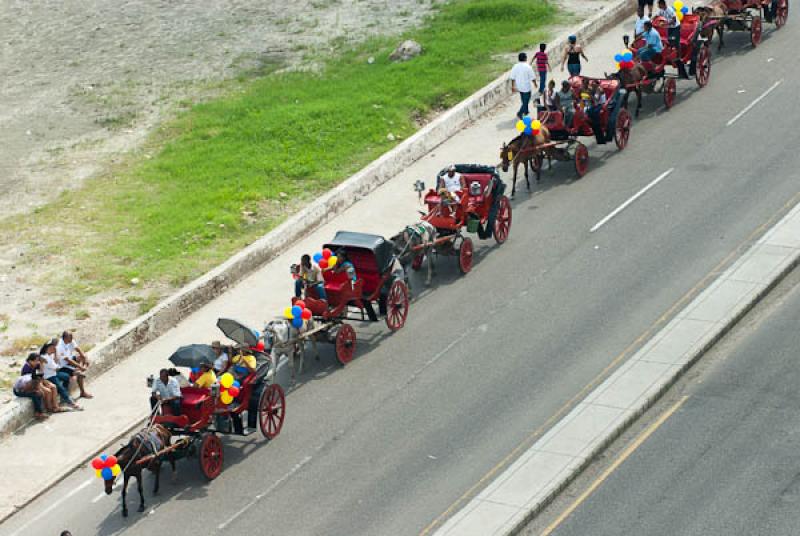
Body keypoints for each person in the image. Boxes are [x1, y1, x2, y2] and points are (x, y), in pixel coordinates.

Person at [40, 340, 80, 409]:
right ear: (49, 348)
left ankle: (64, 396)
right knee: (60, 387)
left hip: (54, 373)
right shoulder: (45, 358)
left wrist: (55, 353)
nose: (55, 349)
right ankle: (70, 401)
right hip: (49, 377)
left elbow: (56, 362)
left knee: (66, 376)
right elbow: (57, 367)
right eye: (53, 348)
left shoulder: (50, 355)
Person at [655, 0, 689, 78]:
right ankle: (670, 52)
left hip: (675, 27)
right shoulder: (661, 11)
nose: (658, 6)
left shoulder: (669, 10)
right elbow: (657, 16)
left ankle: (679, 55)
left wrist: (666, 24)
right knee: (669, 40)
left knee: (675, 40)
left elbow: (673, 20)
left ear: (663, 4)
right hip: (669, 28)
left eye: (659, 4)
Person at [56, 331, 92, 399]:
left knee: (84, 357)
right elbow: (68, 360)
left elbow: (78, 349)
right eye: (70, 338)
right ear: (65, 338)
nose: (72, 339)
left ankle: (80, 370)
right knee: (79, 373)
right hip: (63, 365)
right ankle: (82, 392)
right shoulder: (60, 346)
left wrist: (84, 357)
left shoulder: (70, 340)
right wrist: (80, 367)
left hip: (70, 359)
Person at [509, 52, 536, 119]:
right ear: (525, 58)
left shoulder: (515, 66)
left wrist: (513, 86)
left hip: (519, 86)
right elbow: (532, 77)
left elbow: (512, 77)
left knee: (523, 99)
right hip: (526, 87)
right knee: (526, 101)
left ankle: (526, 111)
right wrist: (535, 84)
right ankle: (520, 113)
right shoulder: (528, 67)